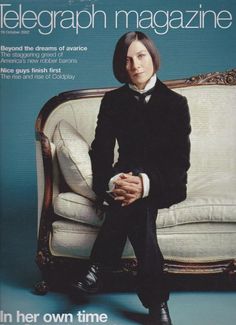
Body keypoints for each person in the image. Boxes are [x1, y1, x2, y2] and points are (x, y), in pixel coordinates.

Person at [72, 31, 191, 325]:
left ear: (153, 58)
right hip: (122, 181)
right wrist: (112, 183)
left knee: (137, 199)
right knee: (135, 206)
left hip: (163, 183)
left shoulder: (176, 104)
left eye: (141, 56)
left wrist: (145, 185)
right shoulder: (112, 101)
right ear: (120, 65)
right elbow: (100, 153)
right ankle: (157, 302)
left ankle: (99, 265)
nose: (135, 65)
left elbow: (179, 164)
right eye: (127, 60)